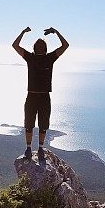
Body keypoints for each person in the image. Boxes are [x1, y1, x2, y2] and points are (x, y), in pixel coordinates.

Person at [12, 26, 69, 160]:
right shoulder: (31, 58)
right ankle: (28, 149)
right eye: (38, 44)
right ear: (35, 47)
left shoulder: (49, 58)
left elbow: (66, 45)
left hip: (43, 96)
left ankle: (40, 148)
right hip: (33, 95)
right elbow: (15, 45)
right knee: (29, 124)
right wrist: (22, 32)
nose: (39, 45)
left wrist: (56, 32)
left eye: (41, 44)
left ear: (44, 48)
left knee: (43, 124)